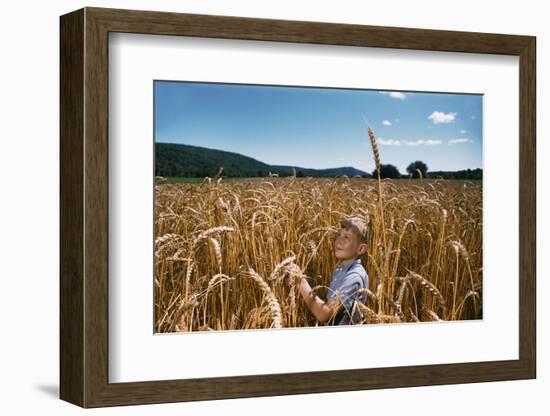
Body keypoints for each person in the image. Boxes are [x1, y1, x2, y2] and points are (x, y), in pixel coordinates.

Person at [295, 216, 369, 325]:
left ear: (361, 249)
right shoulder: (341, 269)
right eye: (339, 235)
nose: (339, 240)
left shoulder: (354, 277)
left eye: (346, 237)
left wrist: (300, 282)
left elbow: (324, 315)